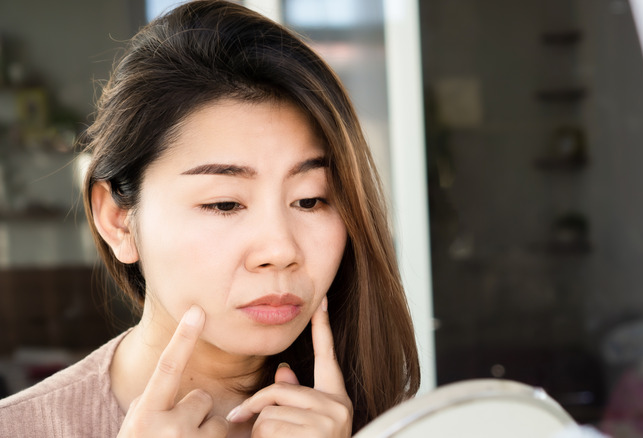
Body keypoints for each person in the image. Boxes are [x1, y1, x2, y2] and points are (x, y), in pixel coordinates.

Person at [0, 1, 421, 436]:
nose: (280, 250)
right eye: (224, 204)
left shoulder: (403, 424)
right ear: (118, 219)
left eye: (311, 201)